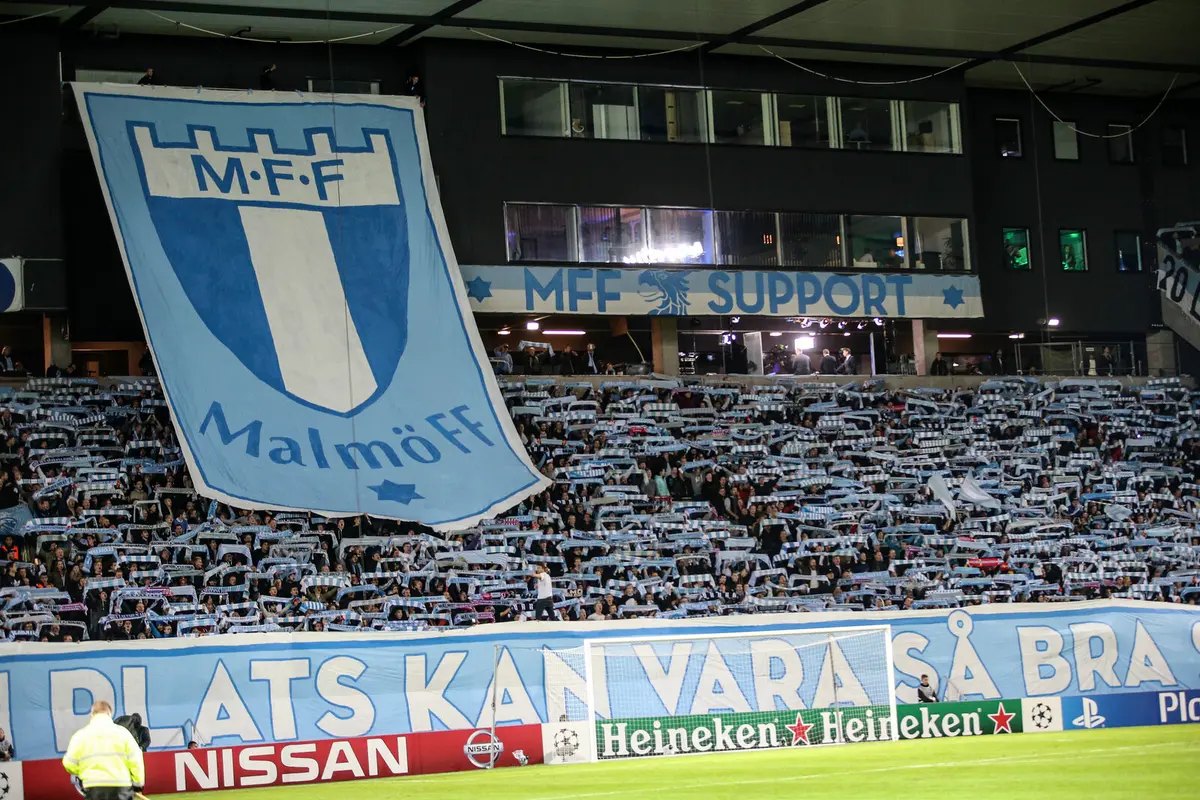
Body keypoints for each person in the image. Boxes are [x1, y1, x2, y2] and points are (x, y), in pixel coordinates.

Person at [62, 701, 145, 800]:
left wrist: (85, 772)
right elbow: (136, 760)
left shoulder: (80, 736)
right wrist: (138, 784)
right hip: (121, 788)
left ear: (92, 715)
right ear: (109, 714)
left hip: (93, 788)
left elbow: (69, 763)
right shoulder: (124, 734)